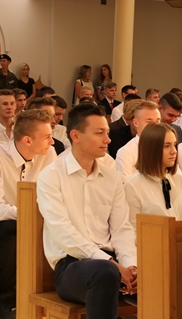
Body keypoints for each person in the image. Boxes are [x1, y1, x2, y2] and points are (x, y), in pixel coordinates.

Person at [36, 103, 137, 318]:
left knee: (159, 268)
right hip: (72, 265)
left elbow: (122, 229)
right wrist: (111, 263)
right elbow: (62, 232)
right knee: (104, 272)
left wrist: (131, 266)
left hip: (111, 259)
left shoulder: (111, 177)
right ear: (76, 136)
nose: (107, 140)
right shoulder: (51, 176)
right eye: (99, 133)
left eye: (107, 133)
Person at [0, 109, 56, 319]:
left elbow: (54, 194)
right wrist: (33, 215)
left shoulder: (49, 154)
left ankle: (50, 292)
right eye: (47, 137)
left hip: (31, 221)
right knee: (14, 230)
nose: (52, 142)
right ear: (27, 140)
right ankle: (7, 297)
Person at [124, 122, 182, 233]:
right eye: (167, 146)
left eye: (174, 145)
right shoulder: (133, 185)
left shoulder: (181, 180)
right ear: (151, 149)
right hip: (149, 243)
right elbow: (133, 231)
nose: (174, 151)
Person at [115, 100, 161, 180]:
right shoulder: (126, 152)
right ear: (136, 123)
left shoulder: (166, 147)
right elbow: (125, 184)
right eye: (149, 121)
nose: (155, 125)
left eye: (158, 121)